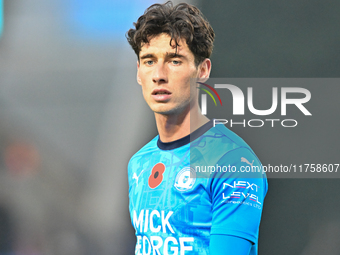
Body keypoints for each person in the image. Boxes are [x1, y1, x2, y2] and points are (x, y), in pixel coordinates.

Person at [126, 2, 267, 254]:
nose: (159, 74)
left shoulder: (233, 162)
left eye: (175, 61)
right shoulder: (139, 163)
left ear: (203, 70)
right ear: (138, 72)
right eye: (149, 61)